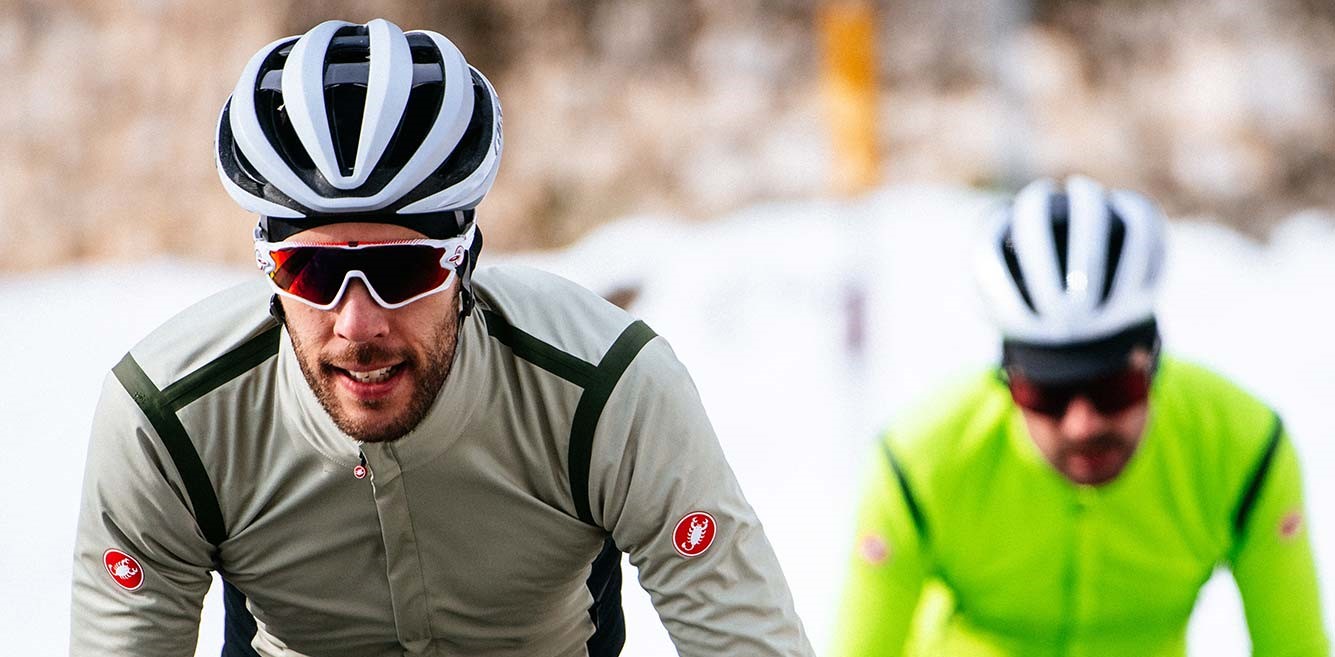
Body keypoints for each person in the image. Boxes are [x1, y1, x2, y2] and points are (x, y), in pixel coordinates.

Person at [70, 19, 813, 657]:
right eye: (310, 271)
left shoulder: (607, 388)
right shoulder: (167, 418)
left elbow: (743, 634)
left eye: (402, 269)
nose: (357, 323)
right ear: (268, 267)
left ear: (465, 261)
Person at [833, 176, 1328, 657]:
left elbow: (1294, 648)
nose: (1082, 425)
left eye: (1114, 388)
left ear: (1155, 362)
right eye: (1045, 394)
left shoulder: (1244, 446)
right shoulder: (920, 459)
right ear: (1006, 379)